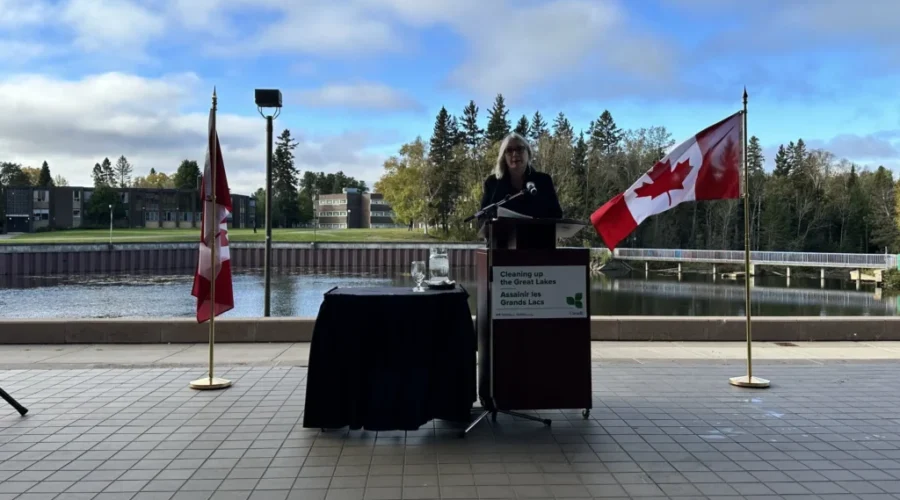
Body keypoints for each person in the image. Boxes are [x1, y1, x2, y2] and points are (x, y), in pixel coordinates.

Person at [479, 132, 563, 220]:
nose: (515, 154)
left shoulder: (544, 181)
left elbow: (557, 216)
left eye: (520, 149)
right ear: (504, 157)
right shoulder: (492, 183)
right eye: (509, 150)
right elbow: (482, 218)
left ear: (528, 153)